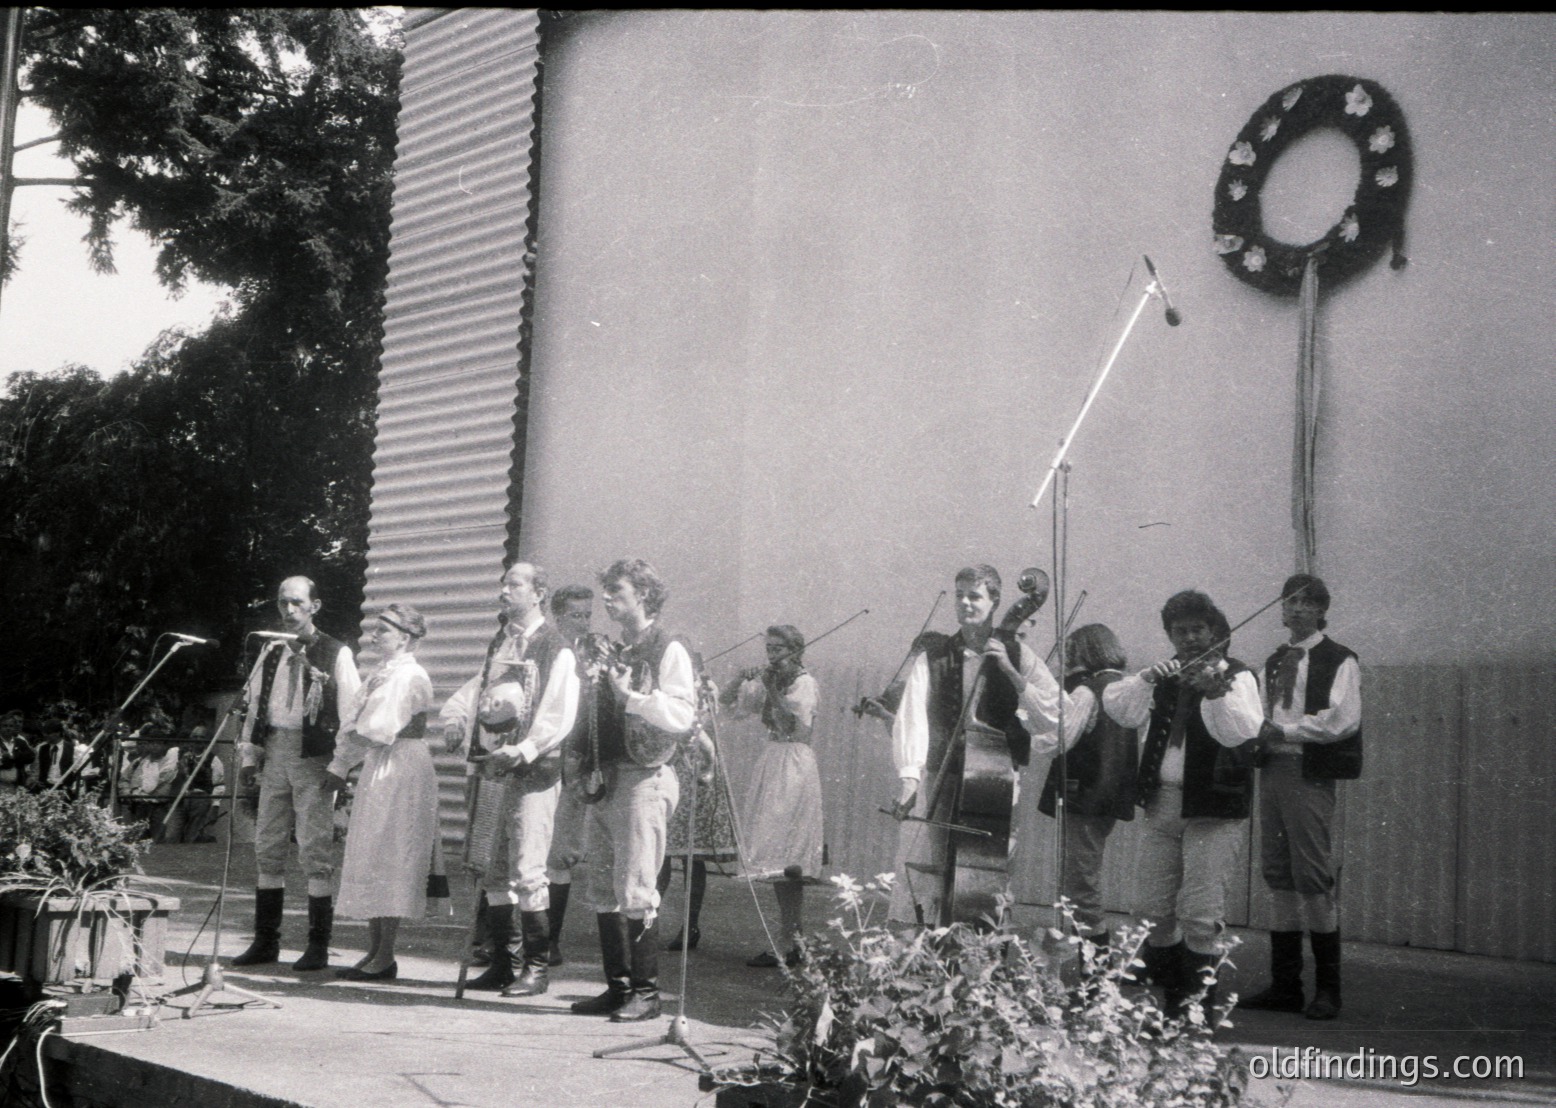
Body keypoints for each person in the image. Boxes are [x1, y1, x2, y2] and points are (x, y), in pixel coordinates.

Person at [1101, 590, 1264, 1022]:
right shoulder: (1167, 675)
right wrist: (1146, 679)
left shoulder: (1238, 676)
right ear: (1170, 635)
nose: (1190, 638)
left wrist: (1215, 693)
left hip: (1214, 808)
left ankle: (1196, 1013)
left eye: (1197, 629)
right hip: (1162, 804)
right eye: (1180, 631)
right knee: (1151, 909)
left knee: (1199, 912)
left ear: (1214, 631)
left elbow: (1242, 731)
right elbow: (1121, 711)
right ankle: (1169, 1005)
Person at [889, 565, 1071, 927]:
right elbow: (913, 716)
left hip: (996, 783)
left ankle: (986, 959)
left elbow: (1058, 714)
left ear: (996, 602)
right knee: (937, 870)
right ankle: (937, 957)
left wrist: (1012, 673)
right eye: (959, 595)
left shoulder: (1018, 654)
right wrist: (910, 775)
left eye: (974, 596)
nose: (965, 603)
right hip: (944, 773)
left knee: (993, 874)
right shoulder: (935, 655)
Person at [441, 562, 580, 996]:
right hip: (493, 769)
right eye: (503, 583)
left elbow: (559, 711)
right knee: (493, 867)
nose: (504, 590)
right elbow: (481, 692)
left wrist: (523, 750)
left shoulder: (556, 646)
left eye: (513, 584)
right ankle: (504, 961)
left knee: (528, 868)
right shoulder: (501, 641)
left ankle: (536, 968)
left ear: (538, 592)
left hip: (532, 771)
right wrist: (460, 723)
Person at [570, 558, 693, 1022]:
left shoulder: (669, 648)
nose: (605, 599)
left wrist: (633, 699)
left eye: (615, 591)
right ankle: (618, 988)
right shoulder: (616, 649)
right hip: (607, 778)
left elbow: (682, 715)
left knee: (637, 886)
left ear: (643, 594)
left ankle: (647, 993)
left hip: (645, 779)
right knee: (602, 884)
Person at [1239, 574, 1361, 1021]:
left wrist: (1286, 731)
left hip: (1307, 770)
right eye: (1289, 602)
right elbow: (1255, 712)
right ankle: (1285, 984)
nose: (1295, 610)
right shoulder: (1271, 661)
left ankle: (1329, 989)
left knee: (1311, 872)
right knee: (1278, 873)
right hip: (1271, 769)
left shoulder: (1339, 658)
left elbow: (1341, 720)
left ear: (1321, 609)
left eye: (1306, 603)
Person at [232, 576, 362, 972]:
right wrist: (250, 759)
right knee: (267, 843)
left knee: (314, 847)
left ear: (314, 606)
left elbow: (352, 715)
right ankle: (265, 941)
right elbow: (255, 706)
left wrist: (340, 765)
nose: (287, 611)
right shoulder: (270, 649)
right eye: (281, 603)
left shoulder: (335, 652)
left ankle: (317, 945)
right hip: (276, 751)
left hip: (313, 757)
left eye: (295, 603)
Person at [321, 604, 445, 981]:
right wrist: (341, 762)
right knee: (373, 853)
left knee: (392, 854)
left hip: (402, 767)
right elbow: (359, 723)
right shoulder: (382, 673)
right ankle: (375, 949)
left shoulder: (409, 675)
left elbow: (379, 726)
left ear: (405, 637)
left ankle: (386, 953)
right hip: (381, 764)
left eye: (384, 631)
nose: (375, 636)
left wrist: (341, 758)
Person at [719, 625, 824, 967]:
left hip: (794, 763)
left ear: (796, 650)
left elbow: (797, 728)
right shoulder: (770, 679)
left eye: (779, 648)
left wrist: (769, 688)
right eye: (769, 648)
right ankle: (791, 942)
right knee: (778, 858)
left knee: (789, 858)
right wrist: (739, 679)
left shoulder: (805, 683)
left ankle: (791, 943)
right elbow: (727, 705)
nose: (772, 654)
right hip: (773, 761)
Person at [1035, 623, 1137, 953]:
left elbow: (1058, 740)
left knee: (1081, 888)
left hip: (1084, 796)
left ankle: (1095, 981)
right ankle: (1093, 979)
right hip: (1107, 799)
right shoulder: (1125, 687)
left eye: (1071, 650)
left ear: (1087, 652)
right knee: (1083, 881)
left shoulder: (1087, 690)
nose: (1066, 657)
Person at [658, 694, 736, 955]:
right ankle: (647, 922)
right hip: (669, 767)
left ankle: (690, 926)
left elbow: (709, 726)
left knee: (692, 857)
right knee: (659, 853)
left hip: (697, 772)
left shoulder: (704, 691)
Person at [545, 583, 597, 966]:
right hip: (540, 759)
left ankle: (548, 941)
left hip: (574, 764)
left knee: (560, 853)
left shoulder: (593, 655)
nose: (583, 622)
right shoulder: (546, 649)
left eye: (587, 615)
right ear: (557, 616)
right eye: (576, 615)